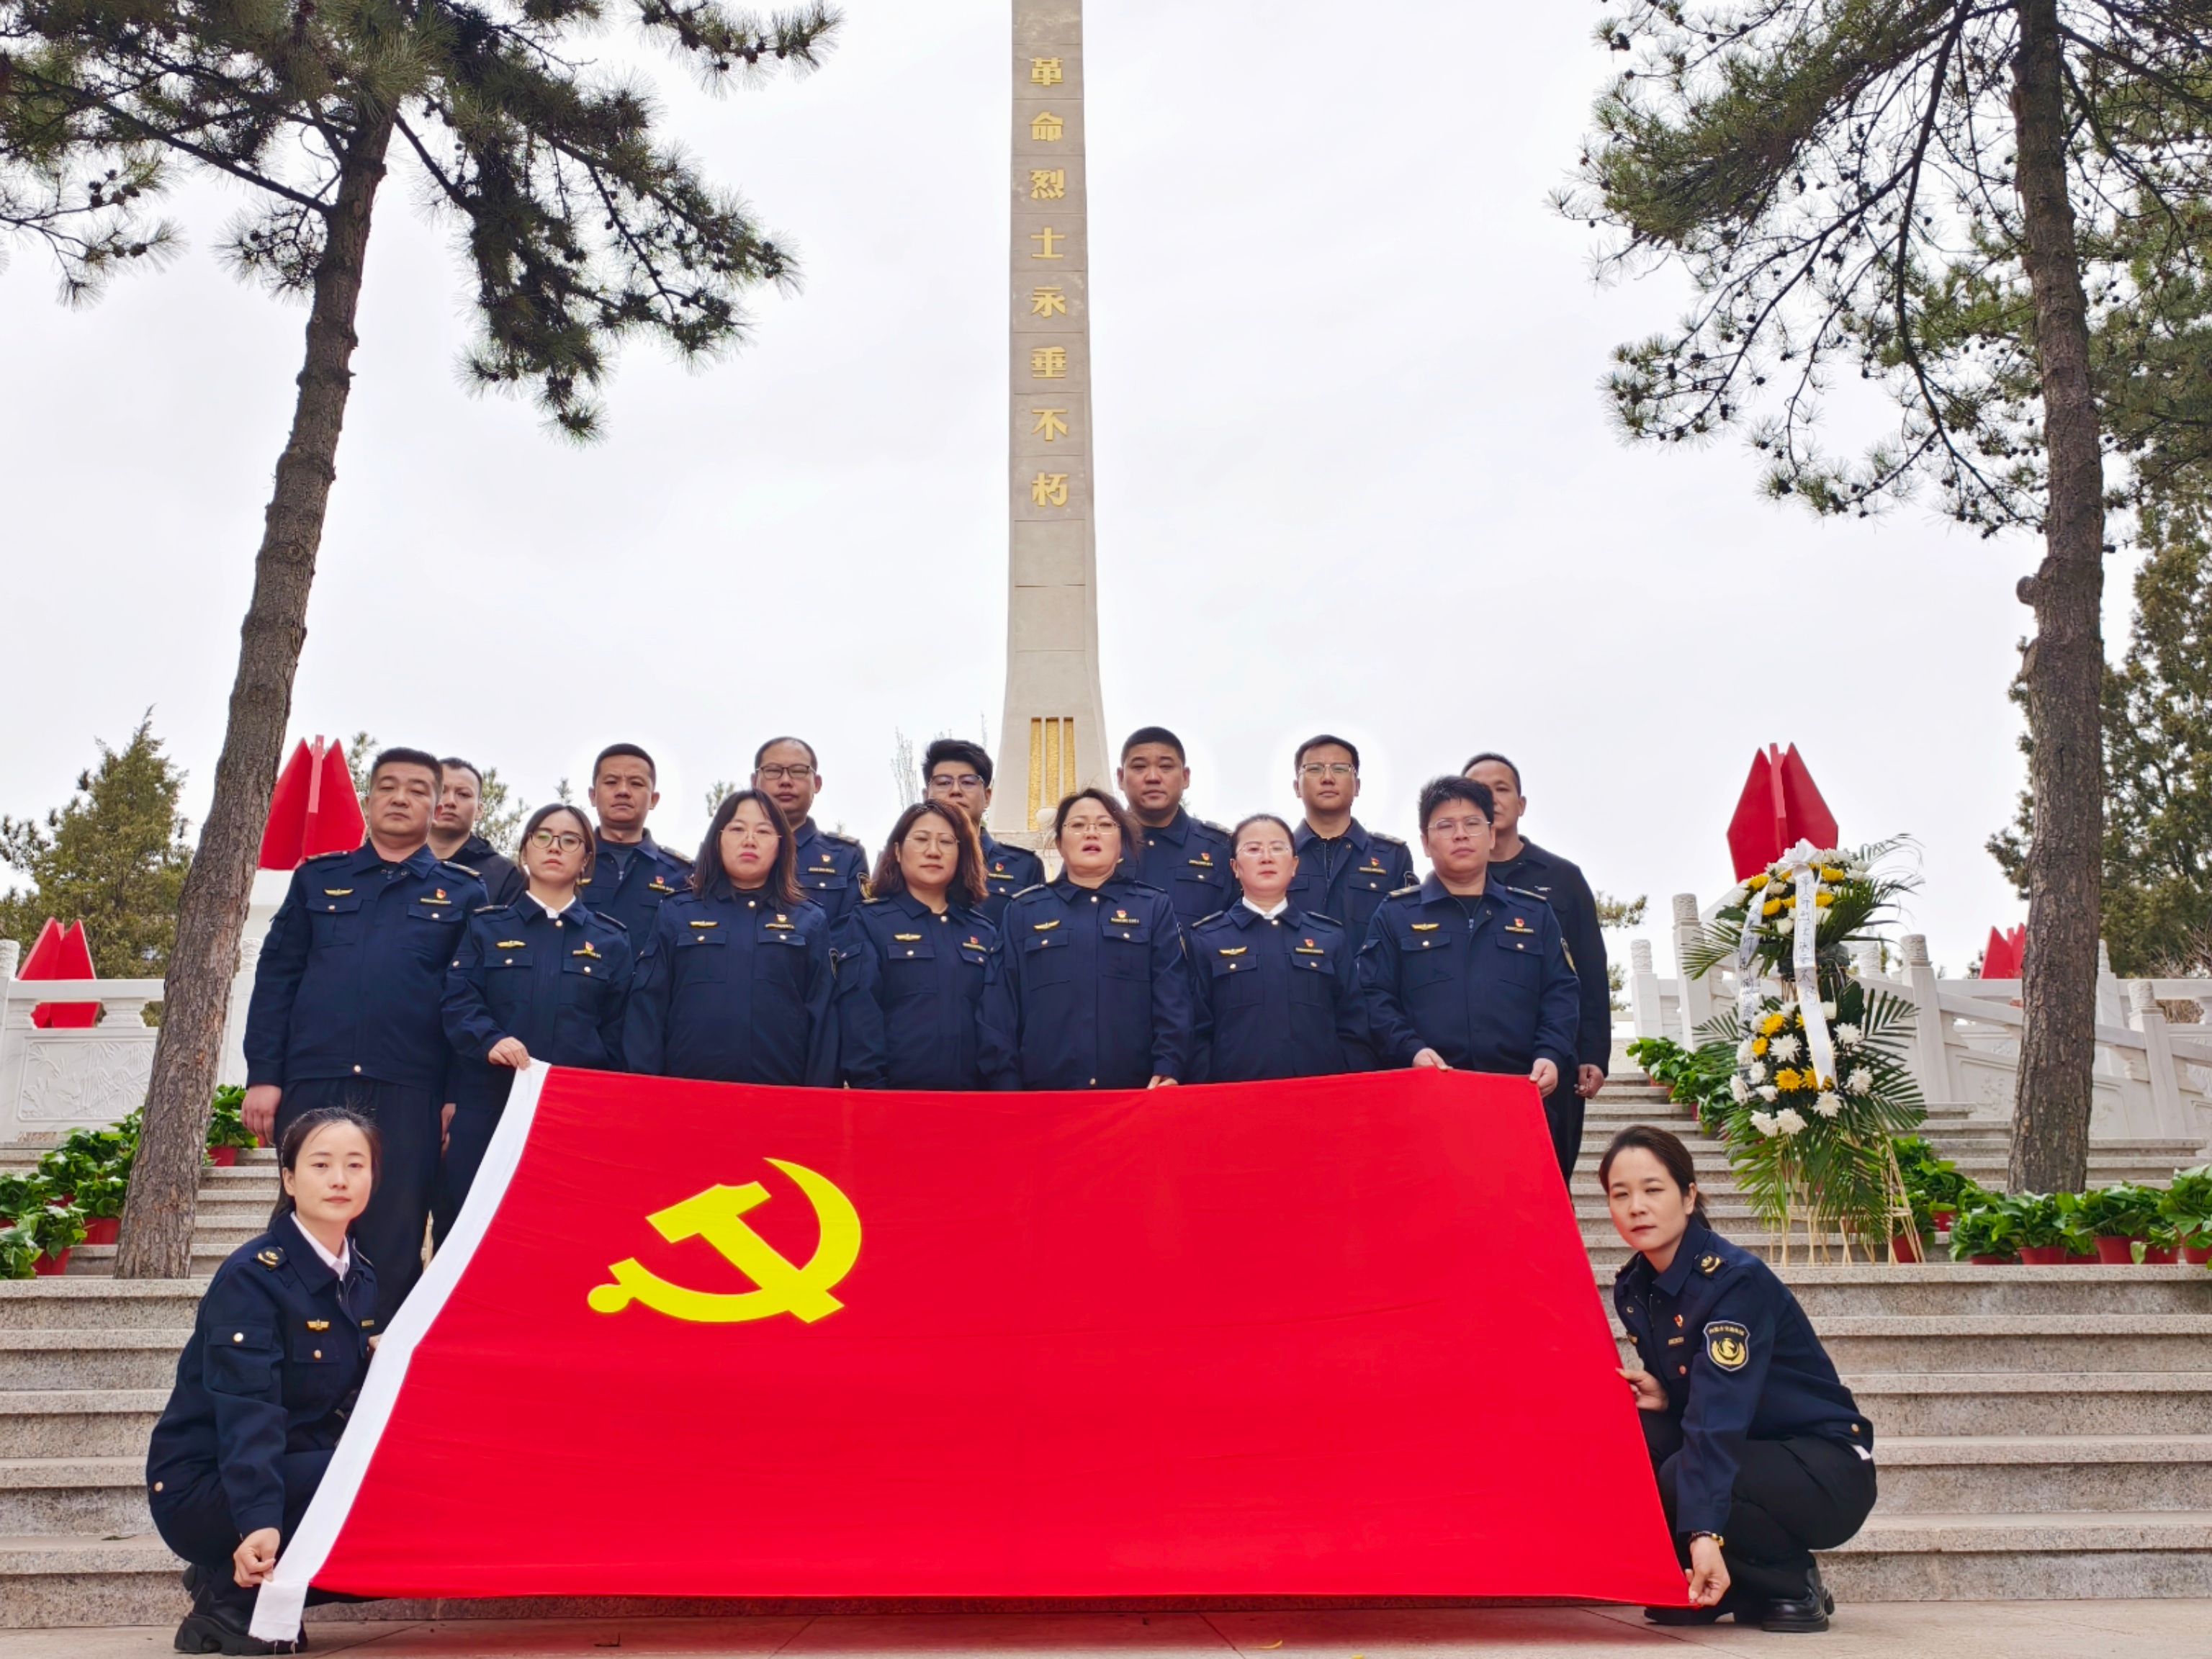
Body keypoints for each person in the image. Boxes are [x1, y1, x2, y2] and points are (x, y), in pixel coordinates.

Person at [241, 747, 486, 1327]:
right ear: (368, 799)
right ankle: (293, 1357)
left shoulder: (463, 894)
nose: (401, 798)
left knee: (395, 1235)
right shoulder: (318, 879)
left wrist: (456, 1096)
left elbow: (468, 1003)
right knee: (304, 1229)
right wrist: (265, 1076)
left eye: (418, 790)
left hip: (410, 1089)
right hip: (316, 1080)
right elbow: (277, 981)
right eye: (388, 787)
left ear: (437, 806)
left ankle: (375, 1368)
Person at [1605, 1124, 1876, 1632]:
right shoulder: (1634, 1287)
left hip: (1825, 1466)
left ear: (1689, 1197)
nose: (1637, 1207)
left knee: (1682, 1472)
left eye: (1653, 1190)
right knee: (1629, 1437)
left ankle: (1791, 1580)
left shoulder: (1734, 1281)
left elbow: (1719, 1415)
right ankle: (1720, 1585)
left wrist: (1703, 1531)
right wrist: (1669, 1396)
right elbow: (1708, 1391)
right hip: (1753, 1450)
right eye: (1621, 1195)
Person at [148, 1107, 380, 1655]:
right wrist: (257, 1521)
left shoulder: (360, 1276)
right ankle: (232, 1599)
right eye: (321, 1165)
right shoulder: (253, 1279)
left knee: (408, 1495)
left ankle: (223, 1579)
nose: (340, 1179)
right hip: (211, 1487)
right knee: (377, 1483)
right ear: (289, 1179)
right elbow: (247, 1413)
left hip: (288, 1466)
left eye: (355, 1164)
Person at [1357, 775, 1581, 1177]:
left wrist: (1551, 1054)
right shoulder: (1395, 915)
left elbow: (1561, 994)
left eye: (1473, 824)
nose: (1460, 834)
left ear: (1492, 836)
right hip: (1426, 1099)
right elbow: (1374, 996)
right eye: (1445, 826)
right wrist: (1411, 1050)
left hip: (1519, 1095)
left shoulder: (1533, 914)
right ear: (1426, 843)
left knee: (1521, 1209)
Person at [436, 804, 634, 1242]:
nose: (554, 847)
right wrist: (490, 1039)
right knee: (473, 1235)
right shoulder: (486, 927)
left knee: (563, 1236)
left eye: (569, 840)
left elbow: (619, 1031)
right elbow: (458, 1000)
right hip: (490, 1107)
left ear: (586, 860)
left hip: (573, 1116)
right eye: (542, 837)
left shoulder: (610, 940)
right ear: (525, 850)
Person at [981, 788, 1193, 1090]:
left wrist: (1169, 1065)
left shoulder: (1152, 907)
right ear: (1059, 842)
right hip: (1042, 1097)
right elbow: (999, 1005)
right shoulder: (1024, 910)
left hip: (1136, 1093)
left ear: (1121, 842)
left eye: (1105, 825)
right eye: (1078, 825)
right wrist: (1006, 1082)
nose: (1091, 833)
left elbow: (1173, 996)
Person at [625, 788, 838, 1086]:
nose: (749, 840)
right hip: (687, 1096)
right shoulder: (677, 913)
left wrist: (818, 1099)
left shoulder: (809, 920)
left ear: (781, 845)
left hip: (781, 1097)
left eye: (763, 831)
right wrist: (647, 1091)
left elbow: (824, 1022)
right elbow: (648, 1010)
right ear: (718, 839)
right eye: (737, 829)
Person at [1465, 751, 1612, 1161]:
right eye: (1479, 790)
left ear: (1521, 804)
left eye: (1501, 789)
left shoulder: (1562, 878)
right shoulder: (1450, 879)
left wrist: (1593, 1053)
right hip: (1470, 1063)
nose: (1491, 798)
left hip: (1551, 1058)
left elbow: (1590, 969)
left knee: (1550, 1176)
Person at [1187, 814, 1369, 1082]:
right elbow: (1196, 1032)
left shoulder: (1329, 937)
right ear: (1235, 867)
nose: (1266, 858)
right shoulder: (1207, 939)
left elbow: (1354, 1028)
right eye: (1253, 849)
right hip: (1236, 1097)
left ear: (1294, 865)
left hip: (1319, 1095)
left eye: (1277, 848)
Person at [833, 800, 1001, 1089]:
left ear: (961, 854)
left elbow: (997, 1022)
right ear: (898, 852)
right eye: (921, 839)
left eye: (946, 842)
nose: (933, 851)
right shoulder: (870, 922)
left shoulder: (983, 932)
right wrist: (873, 1091)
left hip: (972, 1102)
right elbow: (860, 1016)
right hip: (893, 1099)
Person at [1284, 734, 1414, 936]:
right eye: (1314, 769)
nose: (1328, 779)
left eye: (1340, 769)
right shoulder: (1274, 855)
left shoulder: (1392, 856)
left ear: (1357, 786)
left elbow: (1406, 931)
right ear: (1296, 788)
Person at [1116, 727, 1238, 927]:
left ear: (1185, 777)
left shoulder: (1221, 847)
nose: (1153, 777)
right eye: (1139, 767)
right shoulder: (1098, 845)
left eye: (1166, 767)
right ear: (1121, 778)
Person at [922, 737, 1043, 924]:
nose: (955, 791)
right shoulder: (907, 862)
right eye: (944, 782)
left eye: (968, 782)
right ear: (926, 797)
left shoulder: (1023, 866)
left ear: (987, 797)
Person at [578, 743, 692, 940]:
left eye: (636, 784)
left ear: (654, 799)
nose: (623, 791)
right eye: (611, 782)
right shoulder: (570, 864)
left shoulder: (682, 875)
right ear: (593, 795)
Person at [754, 735, 869, 925]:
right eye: (773, 771)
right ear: (754, 781)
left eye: (798, 771)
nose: (785, 781)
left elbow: (850, 932)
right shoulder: (730, 850)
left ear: (817, 783)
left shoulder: (846, 856)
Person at [428, 757, 523, 907]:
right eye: (441, 791)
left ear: (479, 810)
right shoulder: (395, 861)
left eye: (463, 794)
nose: (450, 802)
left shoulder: (504, 874)